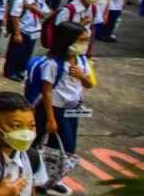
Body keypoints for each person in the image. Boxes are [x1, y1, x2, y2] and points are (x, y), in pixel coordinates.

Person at [27, 22, 94, 196]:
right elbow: (47, 92)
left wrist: (81, 75)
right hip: (53, 110)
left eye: (86, 40)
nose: (85, 44)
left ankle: (52, 179)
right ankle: (37, 179)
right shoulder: (52, 63)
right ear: (67, 40)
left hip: (72, 109)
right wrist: (51, 119)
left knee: (65, 148)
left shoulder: (81, 60)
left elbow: (89, 84)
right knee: (42, 145)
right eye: (81, 40)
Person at [4, 0, 50, 82]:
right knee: (15, 53)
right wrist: (17, 33)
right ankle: (10, 72)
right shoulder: (21, 0)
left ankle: (20, 70)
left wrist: (34, 8)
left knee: (27, 53)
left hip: (34, 31)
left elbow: (46, 14)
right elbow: (14, 17)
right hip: (23, 30)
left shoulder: (39, 0)